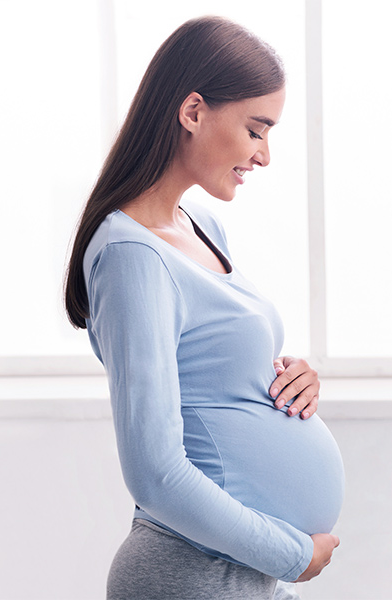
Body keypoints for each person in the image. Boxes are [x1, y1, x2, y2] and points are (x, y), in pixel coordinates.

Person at [63, 15, 344, 599]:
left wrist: (293, 378)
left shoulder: (202, 224)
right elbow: (155, 474)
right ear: (192, 112)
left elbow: (213, 368)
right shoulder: (130, 256)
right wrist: (291, 553)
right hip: (188, 573)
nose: (264, 155)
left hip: (239, 572)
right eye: (256, 129)